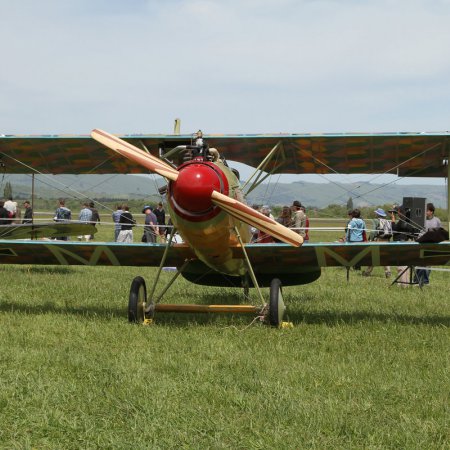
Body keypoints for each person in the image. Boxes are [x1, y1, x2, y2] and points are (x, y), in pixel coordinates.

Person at [415, 203, 442, 285]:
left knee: (428, 264)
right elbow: (419, 232)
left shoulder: (437, 220)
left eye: (427, 211)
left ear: (431, 211)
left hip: (432, 245)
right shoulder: (422, 220)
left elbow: (440, 232)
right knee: (420, 263)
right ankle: (416, 280)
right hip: (422, 244)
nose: (425, 212)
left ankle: (425, 281)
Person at [390, 204, 416, 286]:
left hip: (401, 243)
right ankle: (405, 282)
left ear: (401, 212)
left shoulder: (403, 222)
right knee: (406, 265)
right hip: (405, 242)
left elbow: (394, 230)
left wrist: (393, 220)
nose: (397, 214)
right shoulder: (407, 221)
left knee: (401, 265)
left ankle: (403, 284)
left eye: (398, 212)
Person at [363, 208, 391, 278]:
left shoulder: (376, 220)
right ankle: (388, 272)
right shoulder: (387, 221)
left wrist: (370, 239)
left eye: (376, 213)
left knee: (373, 256)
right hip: (386, 240)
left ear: (378, 214)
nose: (375, 214)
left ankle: (367, 272)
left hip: (378, 240)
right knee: (384, 256)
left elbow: (373, 232)